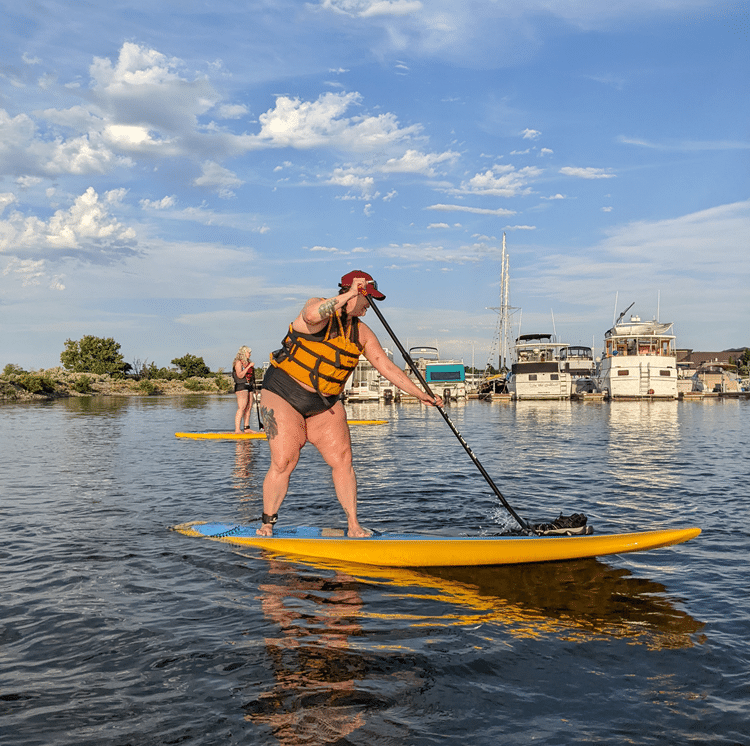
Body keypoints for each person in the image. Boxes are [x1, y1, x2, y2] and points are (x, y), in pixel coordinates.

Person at [258, 270, 442, 538]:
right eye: (368, 299)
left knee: (343, 460)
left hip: (324, 402)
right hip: (284, 393)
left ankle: (354, 525)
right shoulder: (318, 308)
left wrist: (419, 393)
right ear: (351, 292)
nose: (370, 305)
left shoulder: (362, 333)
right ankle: (267, 523)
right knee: (285, 461)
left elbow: (385, 366)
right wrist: (351, 294)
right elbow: (310, 316)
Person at [232, 345, 256, 433]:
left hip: (249, 385)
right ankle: (237, 429)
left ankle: (247, 428)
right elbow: (240, 375)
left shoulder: (248, 362)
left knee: (249, 407)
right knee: (242, 407)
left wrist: (254, 389)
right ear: (243, 353)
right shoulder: (238, 362)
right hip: (241, 385)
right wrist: (249, 367)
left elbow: (252, 377)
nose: (250, 354)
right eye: (248, 352)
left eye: (250, 352)